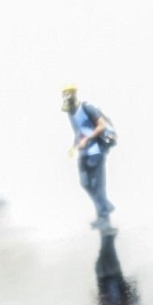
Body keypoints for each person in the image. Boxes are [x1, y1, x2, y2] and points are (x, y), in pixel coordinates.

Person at [62, 85, 116, 235]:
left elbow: (101, 125)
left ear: (74, 94)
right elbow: (78, 131)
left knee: (98, 186)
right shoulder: (69, 113)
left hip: (96, 151)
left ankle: (104, 219)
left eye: (69, 95)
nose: (67, 98)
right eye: (64, 96)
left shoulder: (87, 107)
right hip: (83, 152)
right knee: (85, 183)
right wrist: (74, 146)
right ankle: (105, 206)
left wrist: (87, 139)